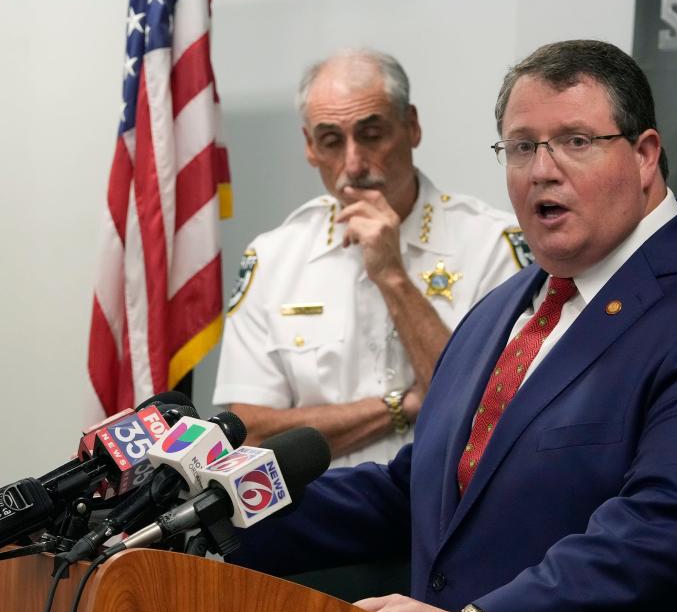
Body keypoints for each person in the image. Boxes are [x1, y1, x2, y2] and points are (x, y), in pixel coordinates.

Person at [228, 40, 677, 612]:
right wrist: (217, 509)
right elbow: (419, 490)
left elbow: (662, 526)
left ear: (645, 156)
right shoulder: (511, 306)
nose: (542, 171)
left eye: (576, 142)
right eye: (521, 147)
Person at [213, 49, 526, 464]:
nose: (354, 163)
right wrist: (402, 406)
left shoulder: (493, 244)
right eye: (330, 141)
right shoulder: (273, 257)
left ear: (411, 126)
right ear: (309, 147)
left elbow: (489, 412)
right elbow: (248, 432)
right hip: (318, 516)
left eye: (372, 134)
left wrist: (393, 276)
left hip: (441, 514)